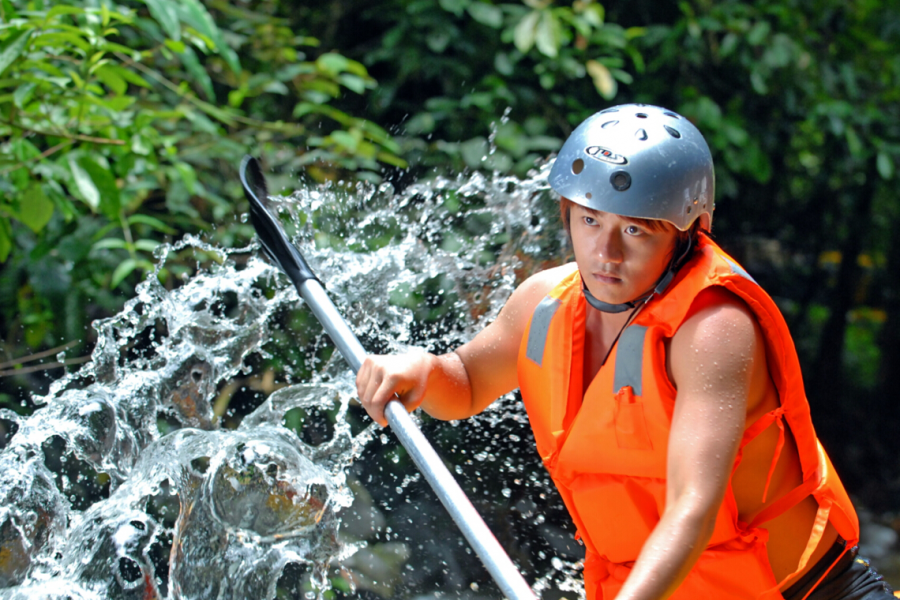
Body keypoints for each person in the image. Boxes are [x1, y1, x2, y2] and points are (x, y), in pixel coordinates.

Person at [356, 104, 897, 600]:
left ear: (686, 234)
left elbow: (693, 509)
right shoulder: (541, 304)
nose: (605, 253)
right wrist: (421, 370)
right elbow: (467, 383)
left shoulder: (713, 328)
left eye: (635, 230)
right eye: (591, 221)